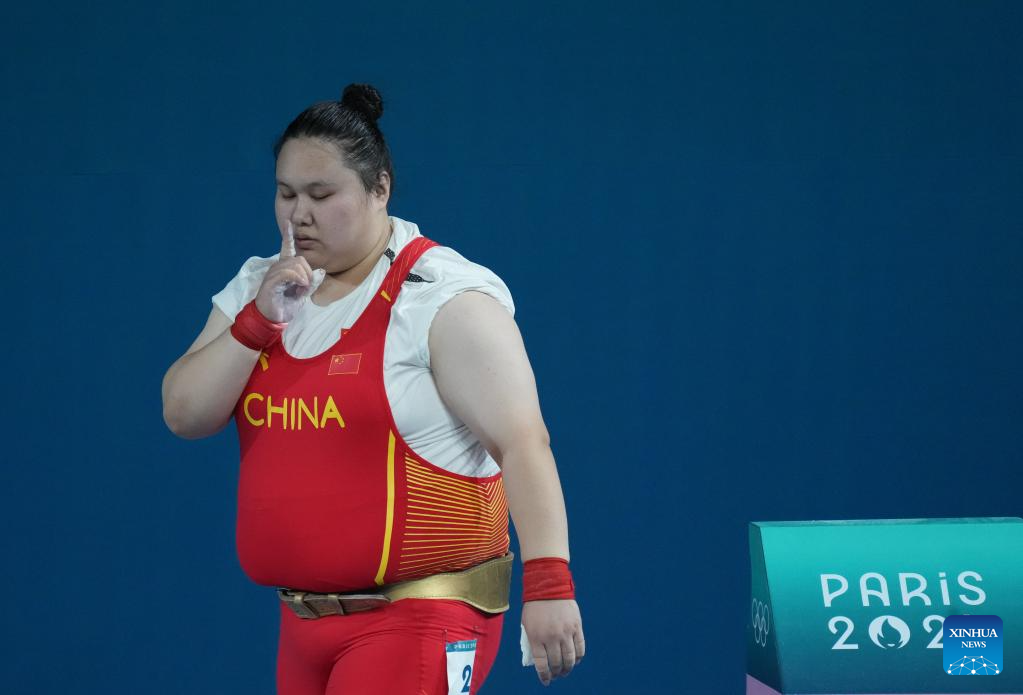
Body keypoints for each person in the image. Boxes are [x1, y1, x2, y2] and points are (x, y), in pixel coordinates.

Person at [161, 83, 584, 694]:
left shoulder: (442, 297)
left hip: (421, 618)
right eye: (285, 193)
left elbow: (523, 441)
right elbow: (184, 413)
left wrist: (549, 585)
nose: (298, 215)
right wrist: (257, 322)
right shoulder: (263, 285)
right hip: (302, 623)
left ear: (379, 188)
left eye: (321, 195)